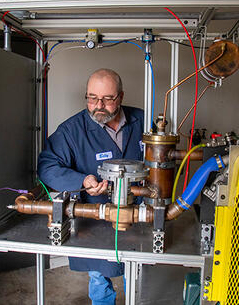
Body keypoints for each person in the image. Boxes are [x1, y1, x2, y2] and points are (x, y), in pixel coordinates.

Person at [37, 68, 144, 304]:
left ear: (121, 97)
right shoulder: (71, 131)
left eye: (107, 99)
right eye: (92, 98)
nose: (99, 105)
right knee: (99, 277)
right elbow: (47, 167)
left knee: (137, 273)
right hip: (94, 218)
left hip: (137, 215)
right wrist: (82, 181)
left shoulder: (142, 121)